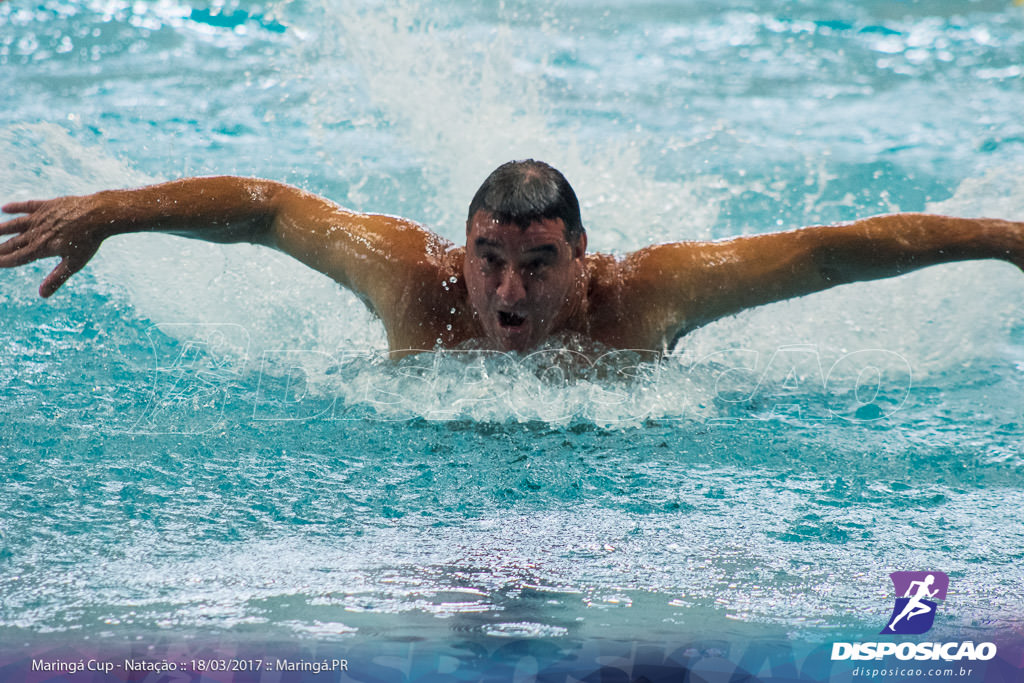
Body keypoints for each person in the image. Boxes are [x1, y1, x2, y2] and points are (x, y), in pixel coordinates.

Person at [2, 159, 1022, 357]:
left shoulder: (645, 295)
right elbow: (270, 210)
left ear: (582, 253)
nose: (503, 291)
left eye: (535, 264)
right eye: (488, 258)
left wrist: (1007, 241)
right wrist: (112, 211)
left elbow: (829, 254)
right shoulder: (414, 279)